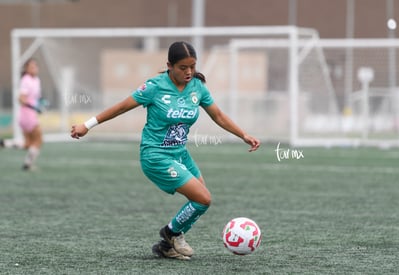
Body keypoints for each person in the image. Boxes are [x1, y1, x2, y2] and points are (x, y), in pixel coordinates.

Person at [70, 41, 260, 260]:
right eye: (183, 67)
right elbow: (121, 107)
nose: (189, 72)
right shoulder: (154, 87)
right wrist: (87, 125)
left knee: (199, 200)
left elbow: (218, 116)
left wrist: (243, 135)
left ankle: (166, 245)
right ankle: (171, 234)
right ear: (169, 65)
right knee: (203, 199)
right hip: (155, 155)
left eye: (193, 66)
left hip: (180, 153)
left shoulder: (198, 87)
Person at [1, 58, 43, 171]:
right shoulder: (26, 80)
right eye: (32, 66)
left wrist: (41, 103)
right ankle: (28, 165)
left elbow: (37, 98)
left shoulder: (36, 80)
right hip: (27, 115)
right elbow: (21, 99)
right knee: (38, 140)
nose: (35, 68)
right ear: (27, 69)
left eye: (36, 66)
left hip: (29, 114)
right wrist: (35, 107)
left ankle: (5, 143)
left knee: (28, 144)